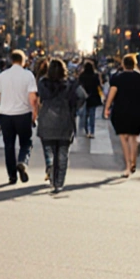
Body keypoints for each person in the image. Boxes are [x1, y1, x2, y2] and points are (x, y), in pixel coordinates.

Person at [104, 54, 140, 178]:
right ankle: (134, 161)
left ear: (123, 64)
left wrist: (107, 108)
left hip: (120, 110)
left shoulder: (117, 78)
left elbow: (112, 93)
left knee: (124, 139)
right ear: (135, 64)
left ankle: (128, 166)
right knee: (133, 137)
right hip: (137, 110)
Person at [0, 50, 39, 184]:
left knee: (8, 146)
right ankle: (22, 161)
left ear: (11, 60)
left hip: (5, 114)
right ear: (23, 61)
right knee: (26, 142)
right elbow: (33, 98)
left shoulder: (2, 76)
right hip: (23, 113)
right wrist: (35, 113)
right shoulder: (28, 75)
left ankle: (12, 176)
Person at [36, 59, 85, 194]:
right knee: (63, 154)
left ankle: (51, 170)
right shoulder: (71, 84)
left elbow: (39, 97)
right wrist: (73, 107)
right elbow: (83, 96)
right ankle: (59, 184)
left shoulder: (42, 83)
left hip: (46, 119)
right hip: (65, 120)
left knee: (50, 151)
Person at [77, 60, 102, 139]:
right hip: (93, 97)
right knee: (92, 115)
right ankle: (92, 132)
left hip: (84, 97)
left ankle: (86, 131)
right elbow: (99, 85)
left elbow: (78, 85)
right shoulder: (95, 75)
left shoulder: (82, 76)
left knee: (85, 115)